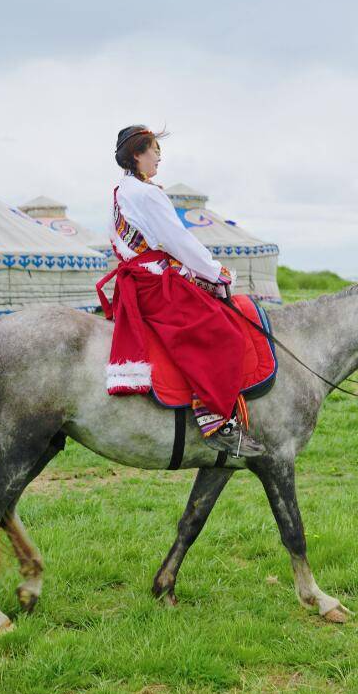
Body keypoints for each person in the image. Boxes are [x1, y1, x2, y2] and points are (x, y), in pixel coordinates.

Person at [99, 125, 263, 456]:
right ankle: (213, 418)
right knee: (221, 332)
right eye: (154, 149)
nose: (159, 156)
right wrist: (217, 273)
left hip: (140, 279)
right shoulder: (147, 194)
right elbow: (178, 240)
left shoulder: (121, 190)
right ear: (137, 154)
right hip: (154, 283)